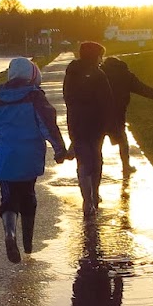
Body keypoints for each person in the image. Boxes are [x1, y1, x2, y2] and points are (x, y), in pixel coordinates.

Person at [0, 56, 67, 262]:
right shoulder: (35, 97)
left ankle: (10, 234)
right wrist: (59, 150)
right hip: (29, 157)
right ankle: (28, 243)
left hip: (4, 158)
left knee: (8, 199)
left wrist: (0, 125)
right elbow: (48, 126)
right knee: (28, 195)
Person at [61, 41, 114, 216]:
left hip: (76, 121)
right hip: (96, 124)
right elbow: (107, 101)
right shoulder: (99, 75)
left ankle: (86, 200)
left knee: (83, 160)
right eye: (100, 56)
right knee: (96, 158)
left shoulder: (71, 72)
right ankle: (95, 193)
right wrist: (109, 124)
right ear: (95, 56)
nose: (101, 60)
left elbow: (67, 96)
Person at [98, 53, 153, 176]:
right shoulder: (125, 75)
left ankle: (96, 167)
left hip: (100, 114)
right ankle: (126, 166)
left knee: (98, 142)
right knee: (122, 141)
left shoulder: (100, 73)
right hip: (118, 114)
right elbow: (143, 89)